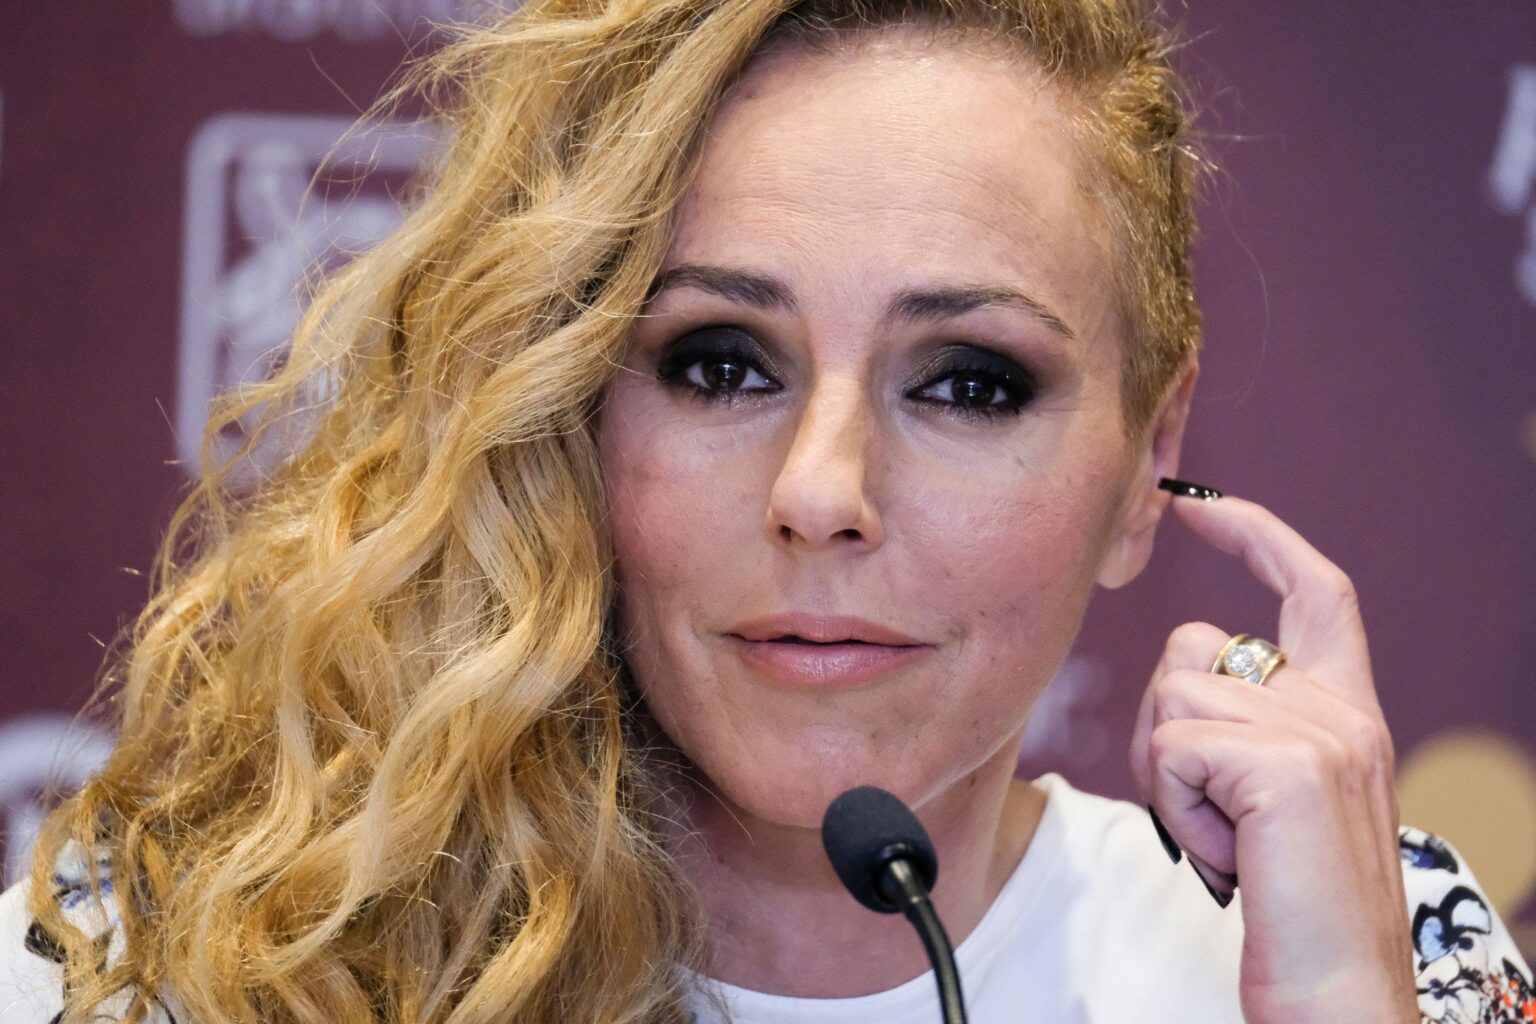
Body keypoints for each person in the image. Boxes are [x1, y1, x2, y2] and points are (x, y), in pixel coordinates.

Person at [0, 1, 1530, 1022]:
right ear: (567, 403)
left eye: (970, 383)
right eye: (721, 364)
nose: (819, 491)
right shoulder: (188, 957)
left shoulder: (1385, 956)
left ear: (1149, 461)